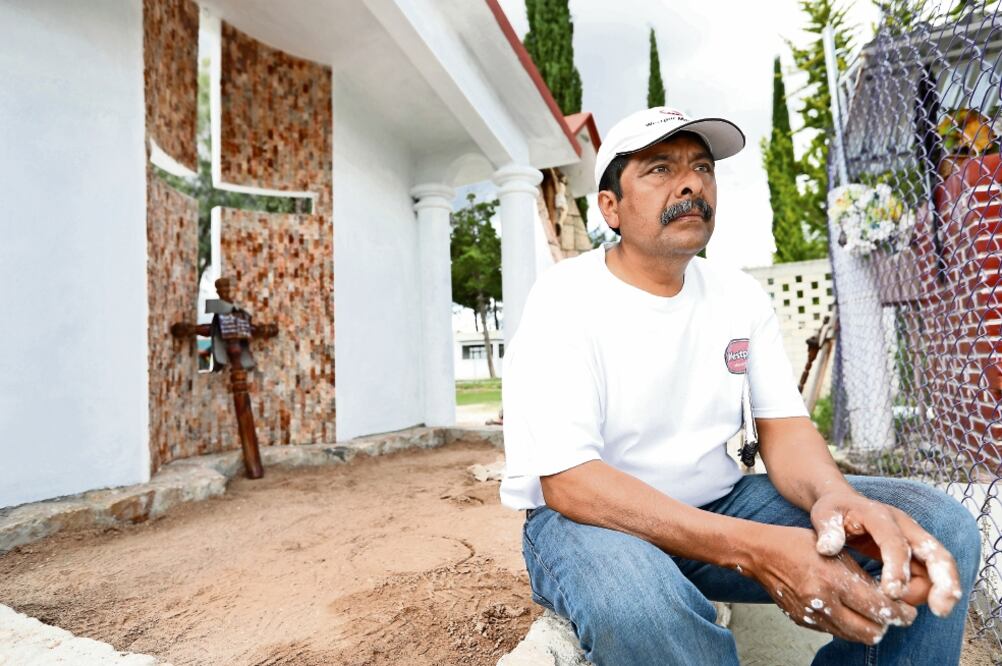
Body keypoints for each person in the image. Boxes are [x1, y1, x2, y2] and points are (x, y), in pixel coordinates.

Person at [499, 106, 982, 665]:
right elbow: (571, 485)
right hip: (593, 526)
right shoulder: (565, 296)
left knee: (940, 528)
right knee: (642, 609)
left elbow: (785, 429)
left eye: (702, 167)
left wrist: (834, 498)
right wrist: (757, 550)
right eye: (659, 169)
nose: (691, 182)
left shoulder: (737, 295)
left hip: (720, 502)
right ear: (610, 206)